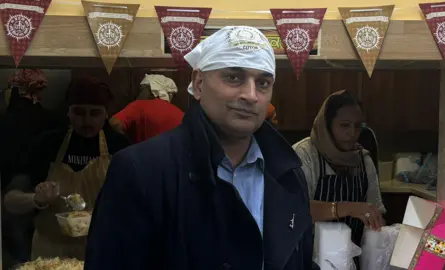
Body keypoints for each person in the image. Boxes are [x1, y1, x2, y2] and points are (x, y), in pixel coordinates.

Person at [84, 26, 312, 270]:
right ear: (199, 83)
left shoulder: (288, 174)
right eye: (234, 77)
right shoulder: (141, 170)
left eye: (263, 83)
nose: (251, 95)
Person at [3, 77, 130, 260]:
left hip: (102, 249)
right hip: (50, 253)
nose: (87, 120)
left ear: (106, 114)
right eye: (79, 112)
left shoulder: (119, 147)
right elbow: (9, 202)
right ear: (68, 113)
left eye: (94, 113)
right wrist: (35, 199)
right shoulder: (48, 144)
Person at [292, 90, 386, 268]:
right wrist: (345, 208)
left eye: (358, 126)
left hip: (352, 260)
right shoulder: (304, 155)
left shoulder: (363, 160)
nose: (352, 133)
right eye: (344, 125)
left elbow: (375, 211)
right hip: (307, 259)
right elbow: (293, 210)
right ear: (327, 125)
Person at [0, 69, 66, 268]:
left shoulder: (5, 118)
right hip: (46, 180)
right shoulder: (52, 118)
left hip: (12, 182)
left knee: (17, 240)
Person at [110, 74, 184, 143]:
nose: (139, 94)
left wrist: (129, 143)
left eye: (142, 90)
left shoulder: (139, 105)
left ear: (152, 91)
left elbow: (114, 123)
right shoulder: (181, 113)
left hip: (141, 155)